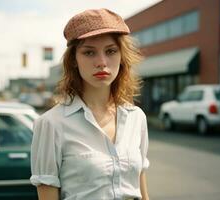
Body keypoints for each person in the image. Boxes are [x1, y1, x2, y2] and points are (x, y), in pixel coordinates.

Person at [30, 8, 150, 200]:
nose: (102, 62)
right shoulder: (51, 124)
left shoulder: (136, 117)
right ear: (74, 60)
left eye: (110, 51)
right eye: (89, 52)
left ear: (121, 57)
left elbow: (141, 186)